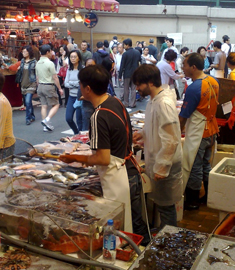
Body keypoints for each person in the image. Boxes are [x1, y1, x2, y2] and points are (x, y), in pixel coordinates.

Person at [59, 65, 150, 244]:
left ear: (87, 89)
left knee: (118, 229)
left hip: (118, 177)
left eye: (80, 85)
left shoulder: (98, 115)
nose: (79, 88)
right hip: (130, 171)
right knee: (135, 224)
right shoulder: (115, 101)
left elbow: (103, 158)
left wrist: (74, 158)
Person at [132, 64, 183, 229]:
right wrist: (143, 133)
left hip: (167, 163)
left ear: (150, 83)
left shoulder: (164, 103)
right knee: (161, 204)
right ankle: (163, 232)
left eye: (139, 84)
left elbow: (172, 139)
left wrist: (162, 166)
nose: (137, 88)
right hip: (158, 159)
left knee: (166, 206)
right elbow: (156, 127)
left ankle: (169, 240)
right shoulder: (153, 100)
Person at [180, 53, 219, 210]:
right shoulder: (213, 81)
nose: (183, 67)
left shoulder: (194, 88)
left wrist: (174, 133)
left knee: (194, 166)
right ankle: (208, 196)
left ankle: (192, 201)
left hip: (200, 132)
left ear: (193, 67)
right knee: (205, 165)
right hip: (212, 130)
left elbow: (183, 116)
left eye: (185, 64)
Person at [36, 44, 63, 132]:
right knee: (56, 104)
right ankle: (47, 120)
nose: (52, 53)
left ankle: (45, 126)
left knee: (44, 106)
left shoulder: (37, 63)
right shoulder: (49, 63)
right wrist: (59, 88)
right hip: (48, 86)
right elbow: (55, 77)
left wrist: (38, 85)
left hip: (40, 86)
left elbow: (37, 77)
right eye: (51, 51)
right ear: (47, 52)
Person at [16, 46, 37, 125]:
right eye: (23, 52)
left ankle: (28, 118)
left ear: (29, 52)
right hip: (23, 83)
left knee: (28, 101)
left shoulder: (34, 62)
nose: (23, 53)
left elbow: (36, 73)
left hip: (31, 83)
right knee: (27, 102)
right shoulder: (22, 61)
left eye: (25, 51)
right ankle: (32, 116)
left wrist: (37, 82)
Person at [64, 50, 83, 135]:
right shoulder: (69, 69)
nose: (73, 58)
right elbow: (65, 83)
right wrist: (75, 83)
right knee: (68, 118)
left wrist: (71, 83)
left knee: (80, 120)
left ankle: (81, 137)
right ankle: (76, 132)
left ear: (79, 58)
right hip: (71, 97)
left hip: (80, 97)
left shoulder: (82, 69)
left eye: (75, 57)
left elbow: (81, 84)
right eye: (71, 57)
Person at [119, 38, 141, 108]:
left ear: (127, 45)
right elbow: (140, 63)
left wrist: (120, 76)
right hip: (135, 74)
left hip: (127, 74)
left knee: (126, 89)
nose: (123, 46)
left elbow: (122, 65)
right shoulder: (137, 52)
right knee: (133, 89)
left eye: (124, 45)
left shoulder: (125, 54)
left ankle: (126, 103)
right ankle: (133, 103)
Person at [80, 58, 96, 131]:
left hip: (98, 108)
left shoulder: (99, 77)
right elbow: (79, 96)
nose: (90, 68)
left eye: (92, 65)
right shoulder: (83, 79)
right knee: (86, 130)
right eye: (88, 65)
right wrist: (92, 96)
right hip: (87, 108)